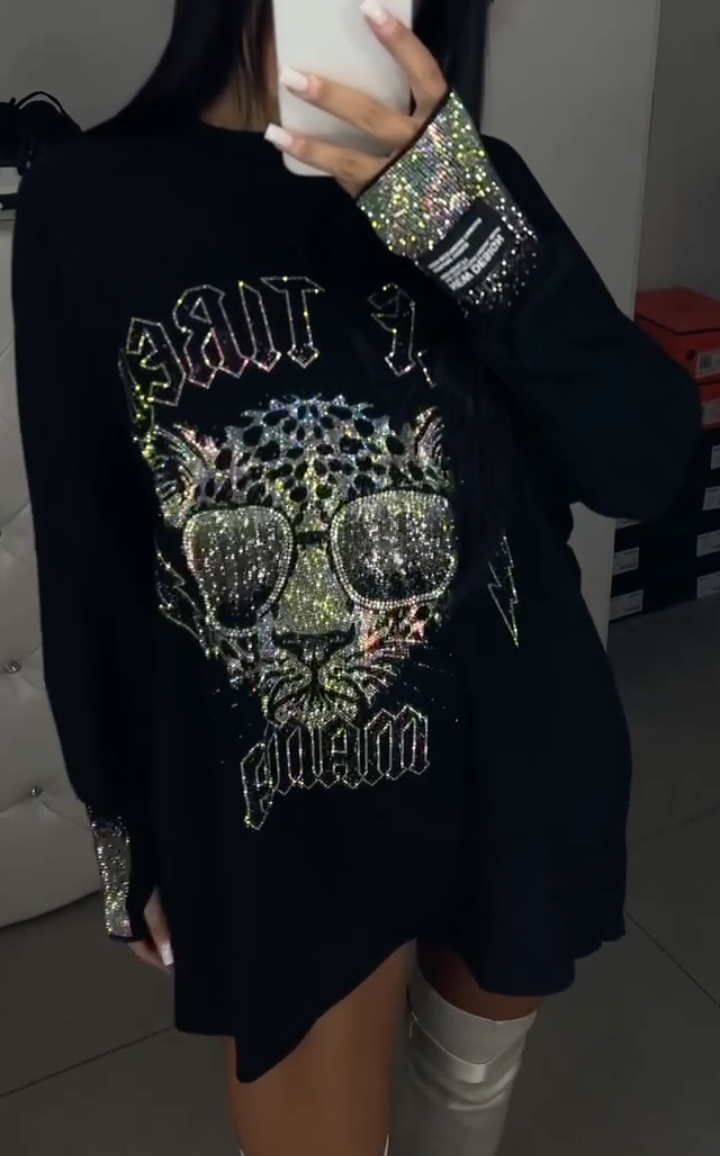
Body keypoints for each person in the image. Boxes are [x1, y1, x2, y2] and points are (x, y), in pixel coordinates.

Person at [12, 2, 700, 1155]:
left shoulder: (474, 181)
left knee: (462, 1104)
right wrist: (117, 812)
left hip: (517, 744)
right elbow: (91, 547)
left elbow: (650, 463)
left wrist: (460, 222)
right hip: (284, 798)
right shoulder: (89, 203)